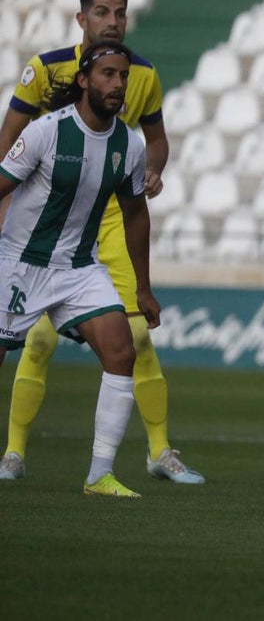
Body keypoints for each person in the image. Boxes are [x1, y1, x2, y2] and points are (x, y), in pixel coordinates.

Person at [0, 0, 201, 484]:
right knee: (30, 345)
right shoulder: (47, 98)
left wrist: (145, 283)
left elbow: (143, 186)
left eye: (121, 13)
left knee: (128, 343)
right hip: (29, 245)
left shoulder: (134, 117)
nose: (113, 20)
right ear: (82, 20)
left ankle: (118, 468)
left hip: (89, 241)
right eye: (102, 12)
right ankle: (13, 454)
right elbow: (6, 159)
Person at [0, 40, 160, 497]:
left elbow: (135, 214)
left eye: (124, 76)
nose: (118, 84)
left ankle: (99, 476)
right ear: (85, 81)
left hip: (79, 269)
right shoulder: (46, 132)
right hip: (21, 263)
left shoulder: (128, 142)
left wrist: (143, 288)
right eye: (108, 75)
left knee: (121, 351)